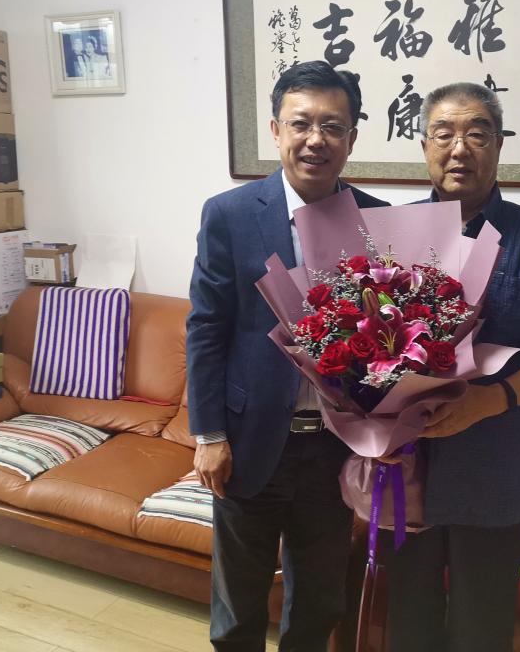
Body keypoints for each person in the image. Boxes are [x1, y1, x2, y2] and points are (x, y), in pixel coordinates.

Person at [381, 82, 520, 651]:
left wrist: (492, 399)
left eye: (477, 134)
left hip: (494, 469)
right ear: (425, 146)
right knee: (406, 620)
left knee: (480, 628)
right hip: (406, 468)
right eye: (444, 134)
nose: (459, 148)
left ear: (499, 145)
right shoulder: (393, 234)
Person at [187, 60, 388, 651]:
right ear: (276, 131)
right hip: (248, 441)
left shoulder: (377, 219)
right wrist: (209, 434)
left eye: (333, 126)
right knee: (238, 605)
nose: (315, 139)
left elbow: (389, 336)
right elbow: (206, 328)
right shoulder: (229, 214)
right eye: (301, 123)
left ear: (352, 138)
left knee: (319, 602)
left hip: (333, 448)